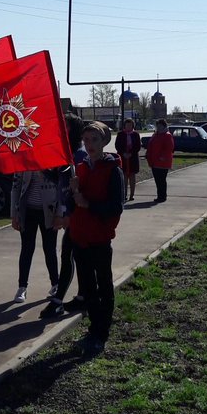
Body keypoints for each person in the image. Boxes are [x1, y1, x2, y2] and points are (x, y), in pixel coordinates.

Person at [67, 122, 124, 355]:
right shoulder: (80, 168)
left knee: (103, 287)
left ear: (104, 142)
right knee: (88, 288)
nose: (89, 145)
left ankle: (101, 334)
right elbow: (75, 204)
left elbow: (115, 207)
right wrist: (72, 193)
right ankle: (93, 329)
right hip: (80, 237)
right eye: (86, 140)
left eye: (94, 140)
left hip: (99, 238)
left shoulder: (113, 170)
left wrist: (88, 204)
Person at [39, 114, 88, 320]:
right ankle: (83, 297)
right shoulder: (67, 154)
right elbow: (60, 180)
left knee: (70, 257)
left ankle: (59, 301)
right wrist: (43, 168)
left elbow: (77, 186)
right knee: (75, 257)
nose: (61, 129)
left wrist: (67, 216)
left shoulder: (78, 156)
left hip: (79, 217)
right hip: (71, 215)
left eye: (65, 126)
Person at [10, 168, 61, 303]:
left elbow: (61, 186)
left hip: (49, 211)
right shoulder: (24, 158)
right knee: (27, 249)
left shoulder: (54, 157)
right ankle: (22, 287)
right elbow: (16, 185)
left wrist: (60, 214)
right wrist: (14, 215)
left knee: (50, 249)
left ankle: (56, 284)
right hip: (28, 211)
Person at [145, 119, 174, 203]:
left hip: (162, 162)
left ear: (164, 126)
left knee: (161, 180)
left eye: (160, 125)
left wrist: (162, 156)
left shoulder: (167, 135)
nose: (158, 127)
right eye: (157, 125)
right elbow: (151, 145)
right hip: (154, 161)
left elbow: (169, 148)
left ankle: (162, 196)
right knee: (157, 180)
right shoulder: (155, 135)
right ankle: (160, 195)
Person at [115, 118, 141, 202]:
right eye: (127, 125)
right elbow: (117, 145)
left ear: (132, 126)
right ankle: (124, 194)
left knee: (132, 177)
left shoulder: (136, 135)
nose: (128, 126)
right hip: (123, 158)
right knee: (124, 178)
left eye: (130, 125)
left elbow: (138, 146)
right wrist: (123, 153)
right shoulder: (120, 134)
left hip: (132, 159)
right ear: (124, 126)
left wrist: (131, 153)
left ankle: (132, 195)